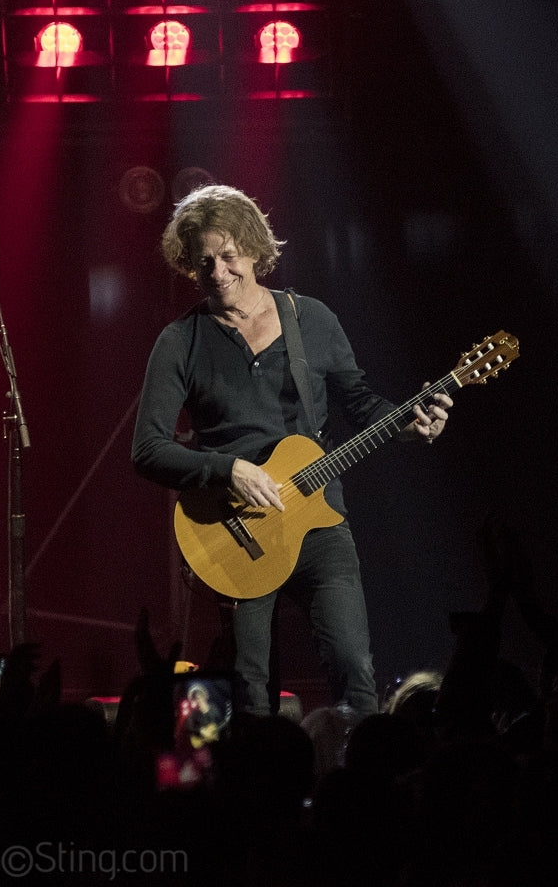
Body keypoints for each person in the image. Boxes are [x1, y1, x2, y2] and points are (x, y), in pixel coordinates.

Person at [131, 184, 452, 719]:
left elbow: (362, 404)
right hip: (234, 529)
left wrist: (409, 426)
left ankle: (364, 781)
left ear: (255, 250)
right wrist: (229, 469)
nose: (217, 271)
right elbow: (146, 449)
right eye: (203, 260)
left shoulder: (312, 321)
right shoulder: (180, 341)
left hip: (318, 521)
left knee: (354, 666)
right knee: (249, 687)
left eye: (228, 256)